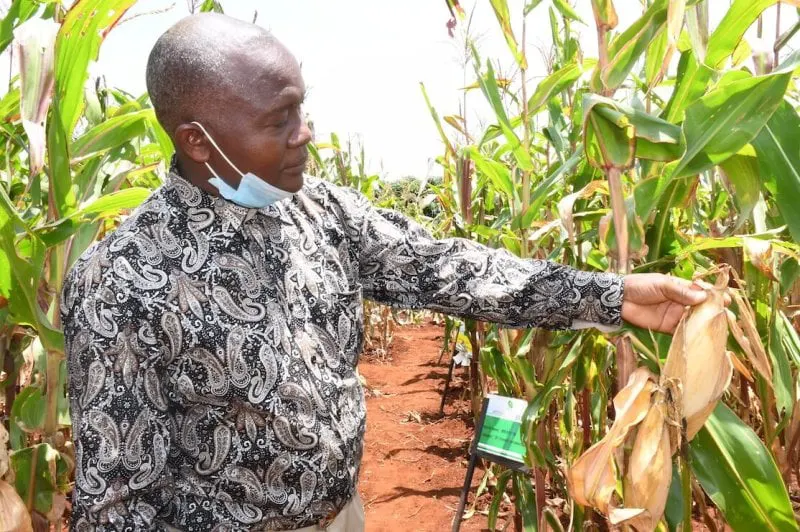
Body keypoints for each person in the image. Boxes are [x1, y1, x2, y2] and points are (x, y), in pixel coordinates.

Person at [61, 13, 707, 532]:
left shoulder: (322, 211)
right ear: (197, 141)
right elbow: (118, 504)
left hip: (345, 515)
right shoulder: (122, 281)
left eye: (301, 108)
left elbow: (449, 270)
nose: (305, 133)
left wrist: (613, 296)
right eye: (278, 120)